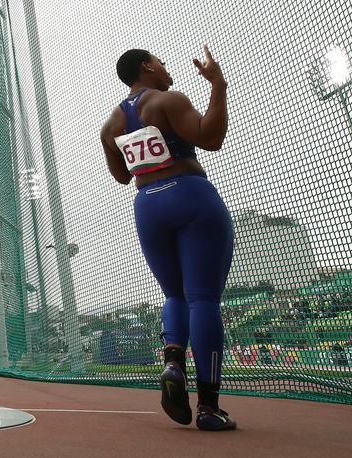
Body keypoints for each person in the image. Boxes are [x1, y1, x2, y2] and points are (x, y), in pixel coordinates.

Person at [100, 46, 236, 430]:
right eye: (161, 62)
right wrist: (218, 86)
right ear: (146, 66)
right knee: (203, 298)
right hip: (190, 194)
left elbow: (122, 177)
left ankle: (173, 362)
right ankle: (210, 409)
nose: (166, 68)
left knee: (175, 295)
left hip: (147, 206)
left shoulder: (110, 125)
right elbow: (210, 138)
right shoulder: (168, 100)